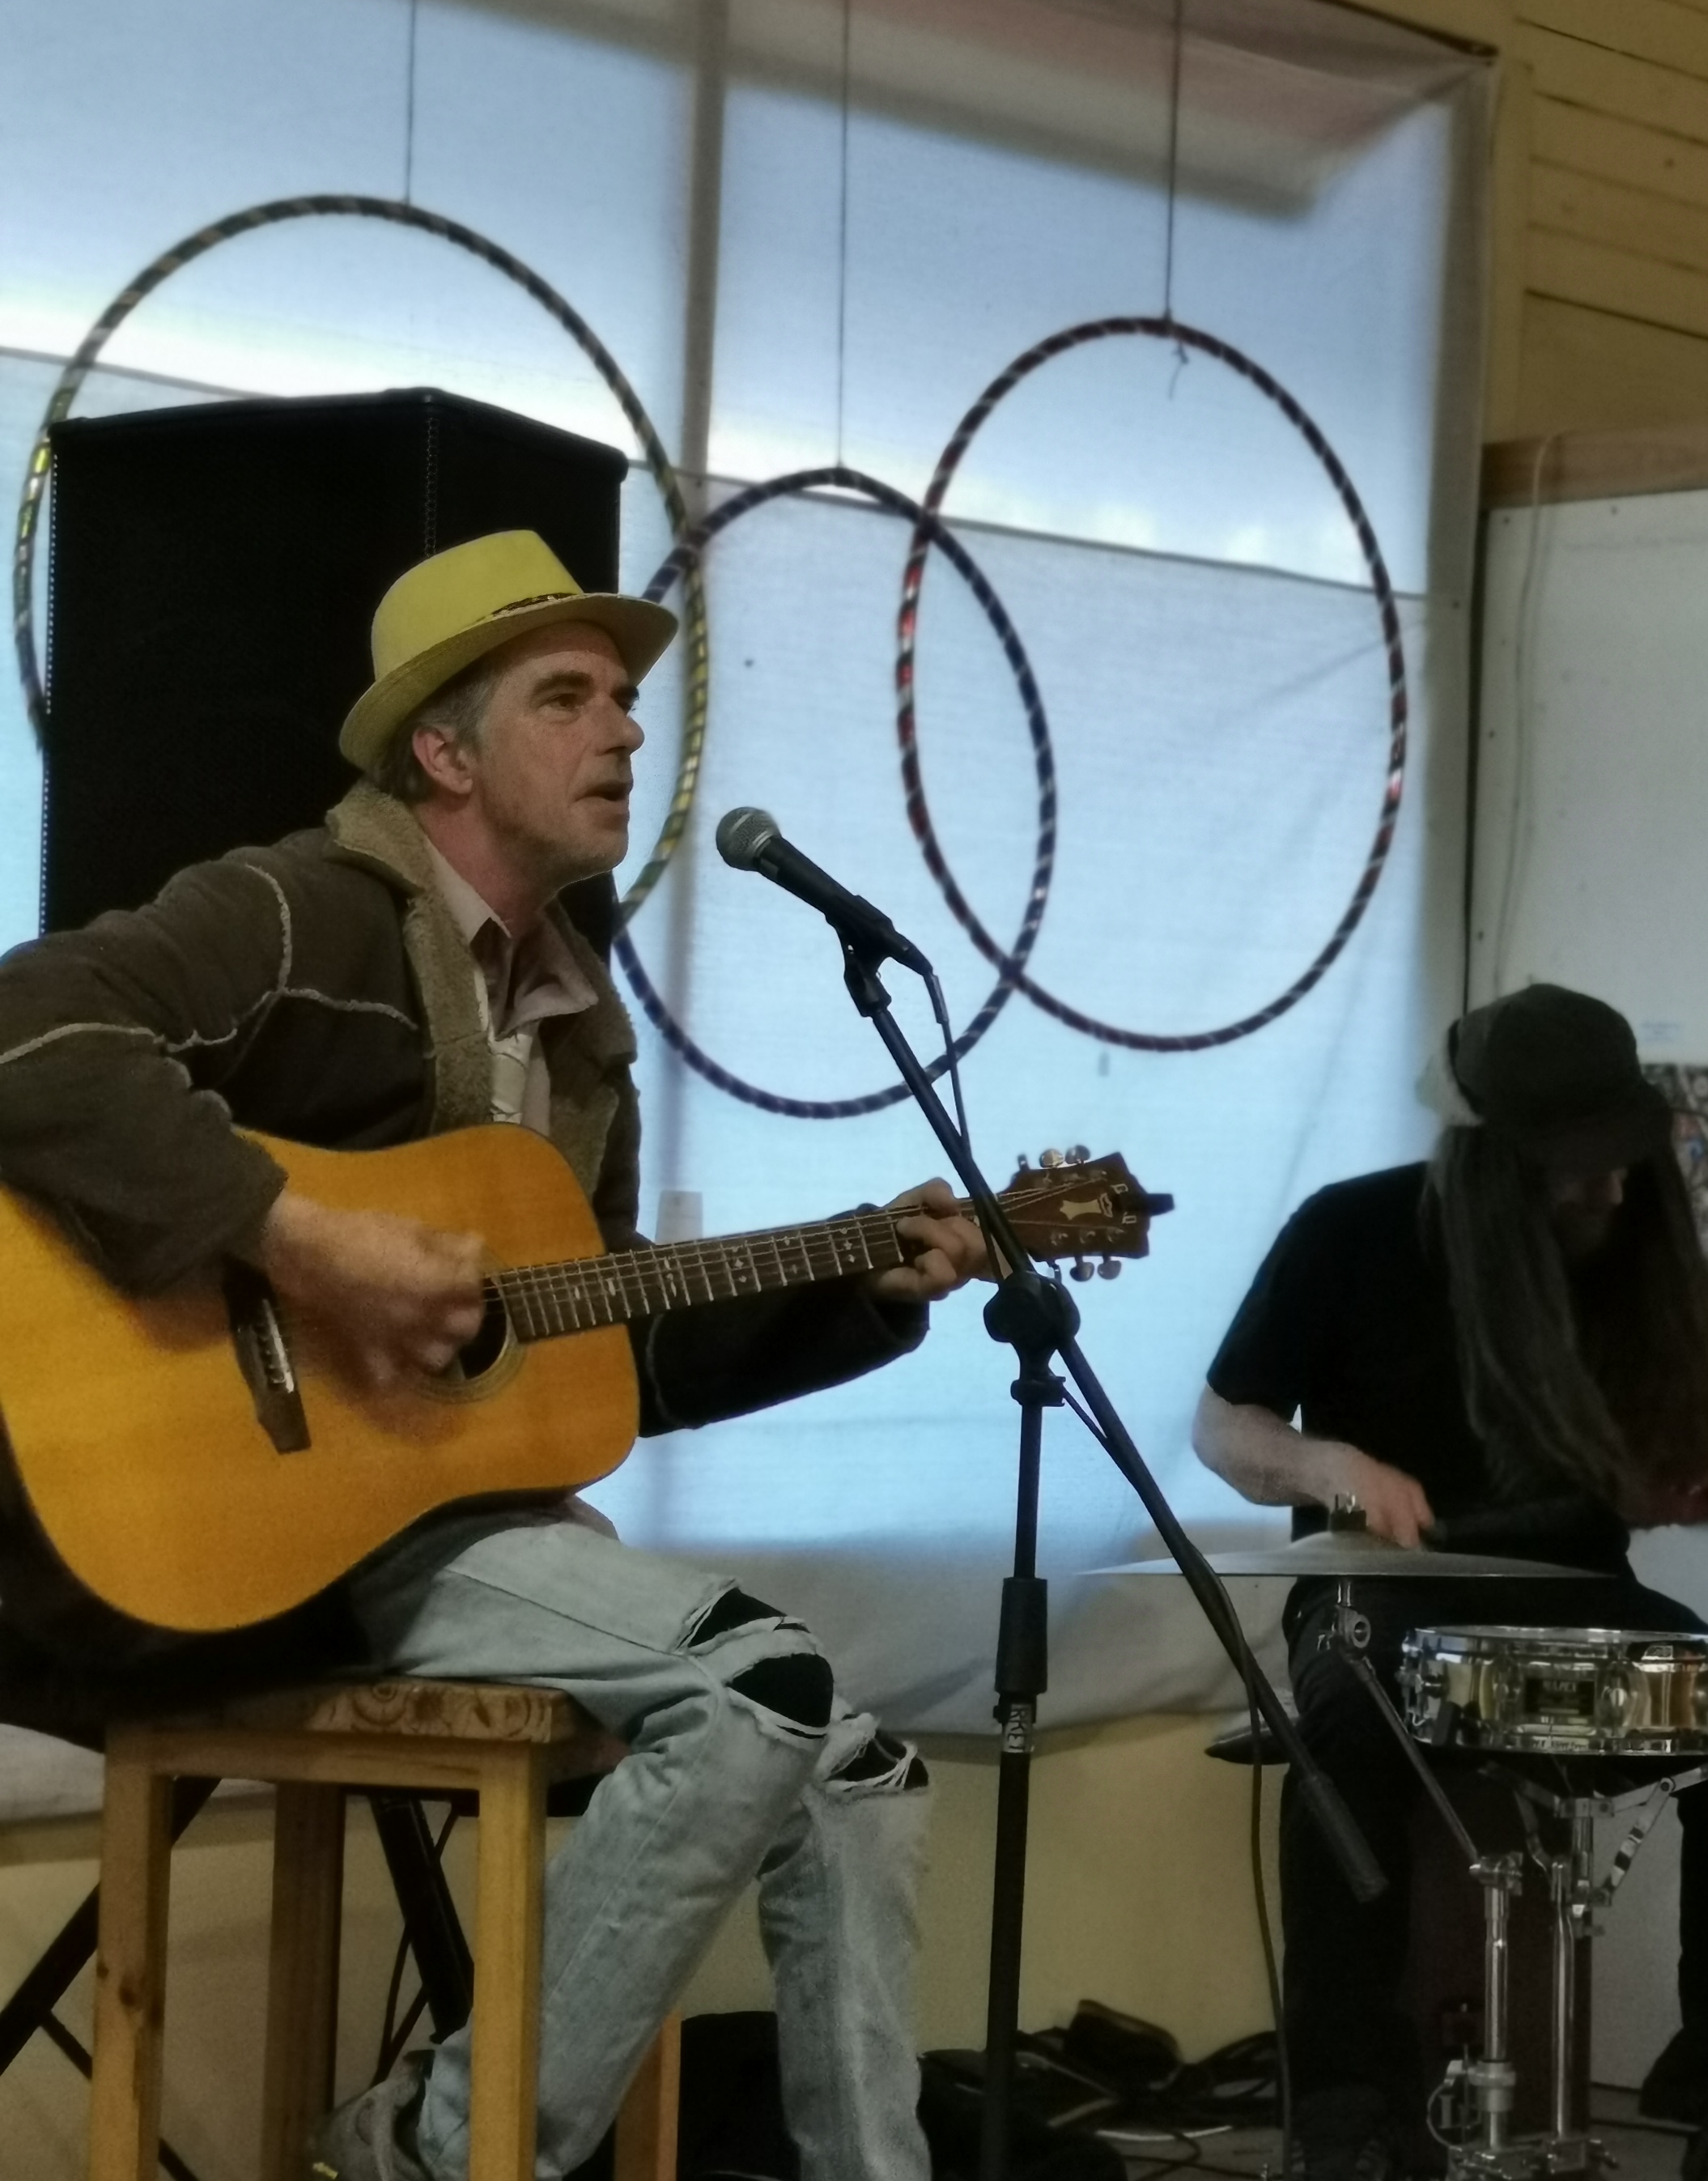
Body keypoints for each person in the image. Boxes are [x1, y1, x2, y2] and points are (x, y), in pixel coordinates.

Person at [0, 530, 994, 2181]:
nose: (626, 731)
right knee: (757, 1688)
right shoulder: (294, 912)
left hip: (421, 1529)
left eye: (625, 699)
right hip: (200, 1541)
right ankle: (442, 2151)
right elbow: (30, 1030)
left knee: (863, 1767)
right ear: (444, 755)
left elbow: (598, 1357)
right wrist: (301, 1239)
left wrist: (860, 1284)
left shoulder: (584, 1040)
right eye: (568, 696)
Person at [1193, 983, 1708, 2181]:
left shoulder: (1625, 1240)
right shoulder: (1351, 1230)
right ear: (1493, 1156)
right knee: (1347, 1724)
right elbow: (1223, 1425)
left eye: (1619, 1158)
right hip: (1379, 1587)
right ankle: (1345, 2101)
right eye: (1577, 1169)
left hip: (1570, 1580)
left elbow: (1656, 1446)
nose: (1610, 1190)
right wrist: (1330, 1466)